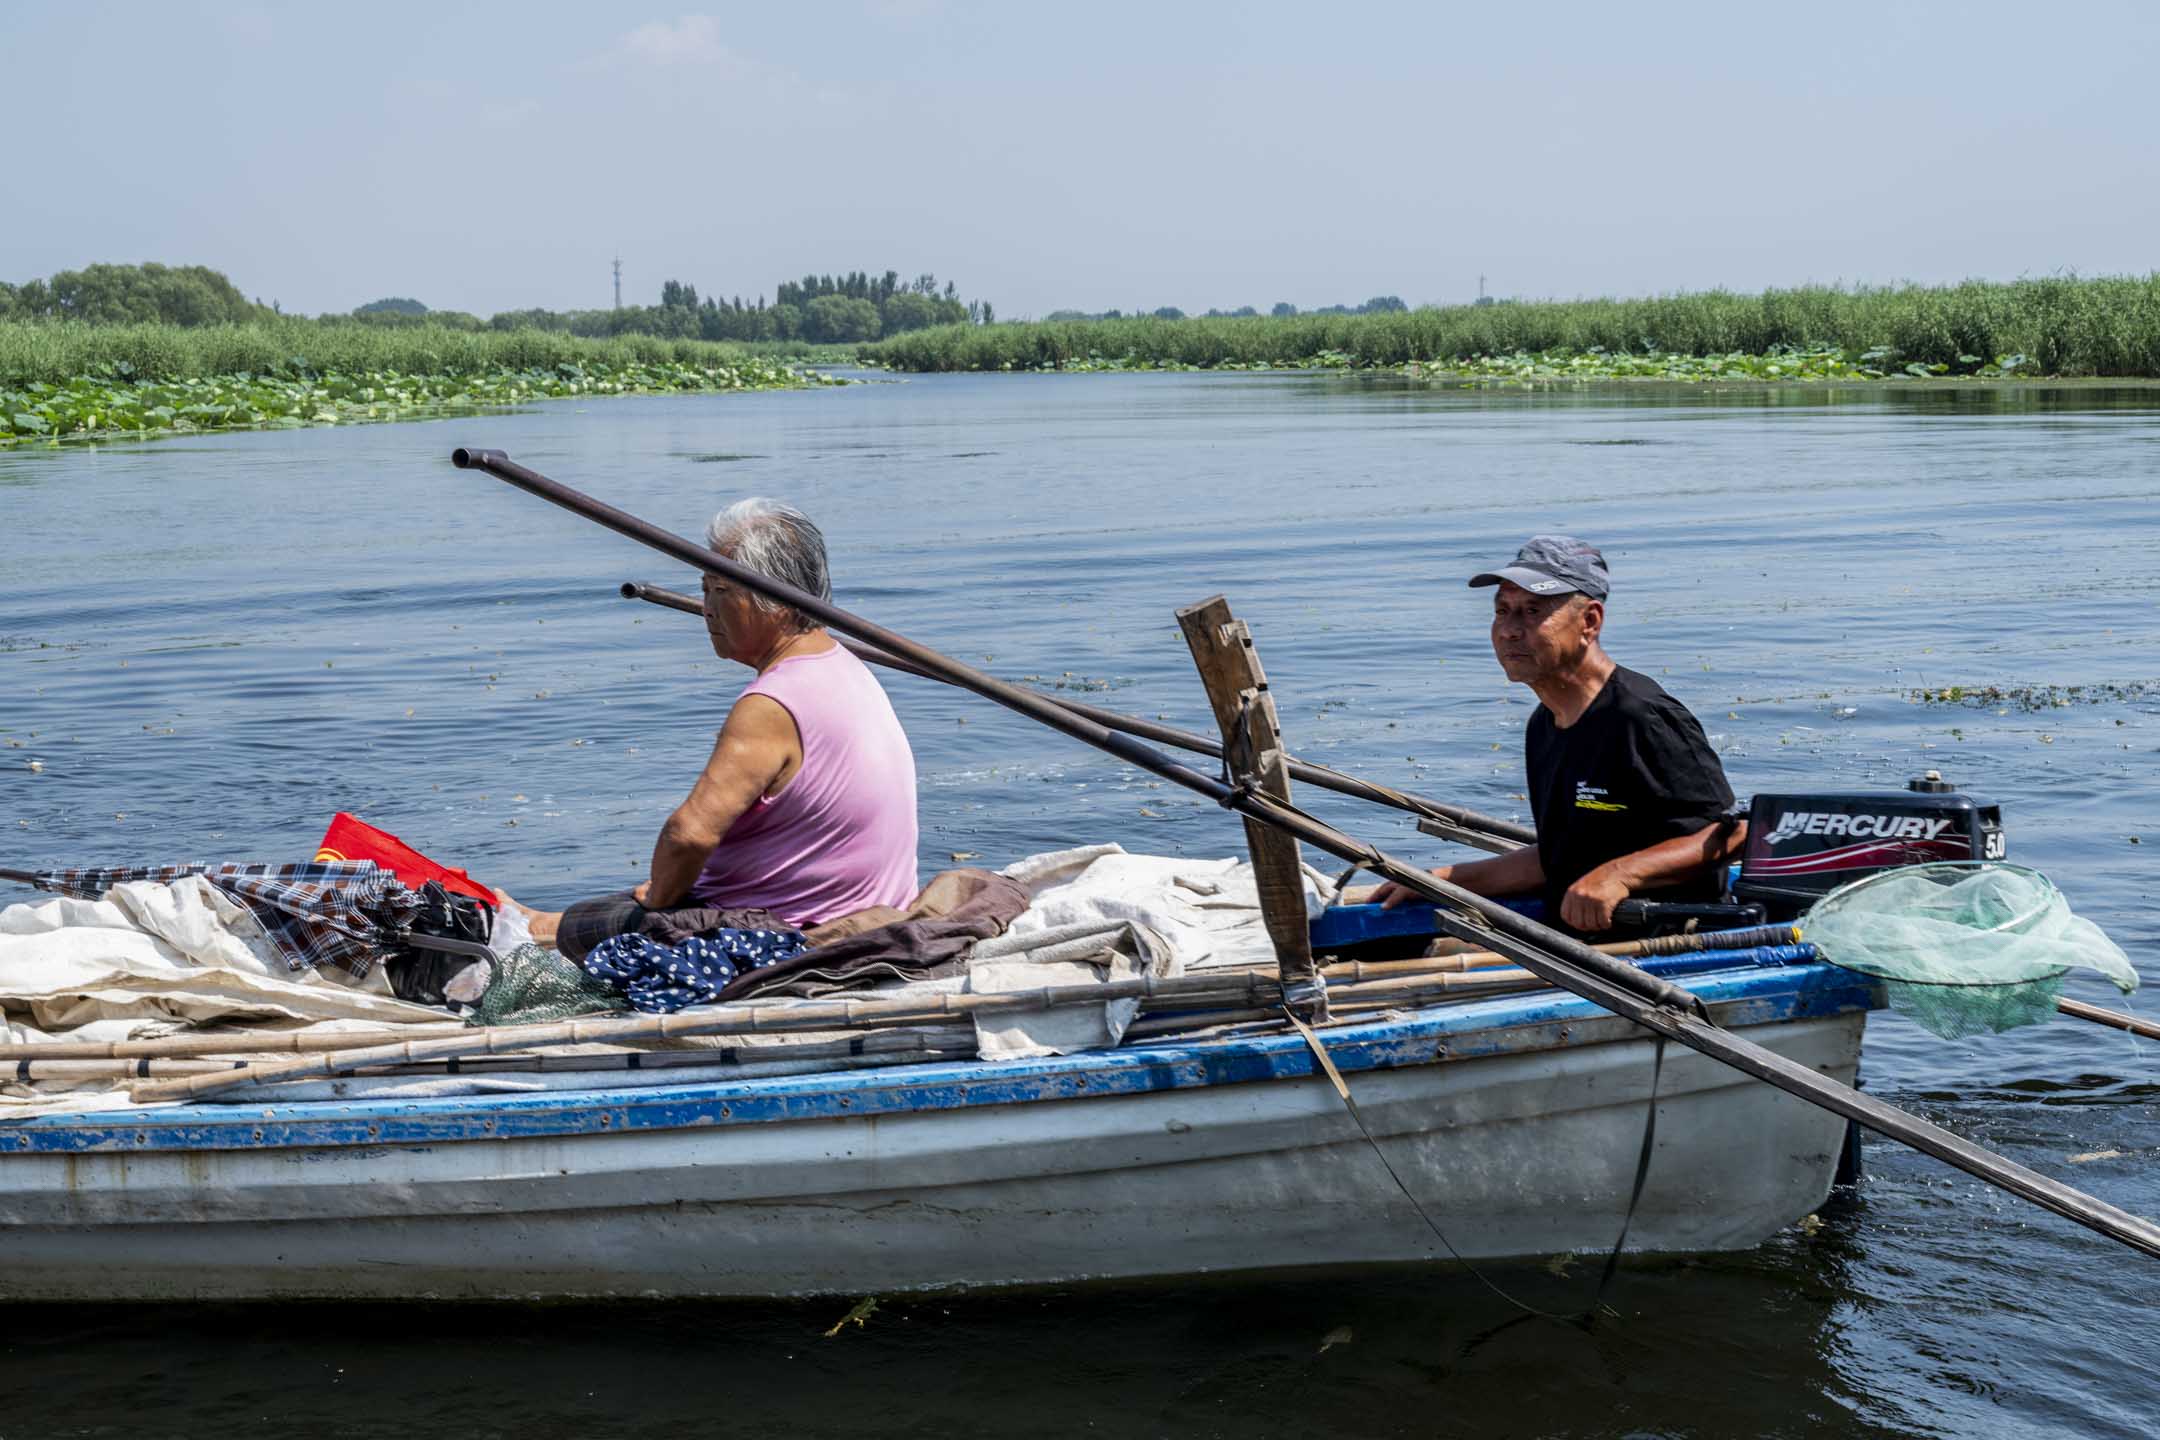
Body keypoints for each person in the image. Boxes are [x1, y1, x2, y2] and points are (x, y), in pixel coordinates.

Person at [499, 498, 919, 958]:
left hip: (793, 931)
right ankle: (539, 922)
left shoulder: (771, 705)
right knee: (640, 897)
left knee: (604, 919)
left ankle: (529, 929)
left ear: (776, 601)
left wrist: (660, 900)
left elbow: (689, 835)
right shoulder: (843, 663)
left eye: (721, 590)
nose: (706, 609)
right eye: (705, 589)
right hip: (867, 905)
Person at [1374, 535, 1742, 934]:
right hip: (1572, 941)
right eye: (1503, 611)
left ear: (1590, 621)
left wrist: (1619, 876)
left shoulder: (1642, 717)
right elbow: (1559, 859)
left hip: (1660, 947)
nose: (1510, 631)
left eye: (1532, 611)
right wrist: (1443, 878)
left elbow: (1731, 835)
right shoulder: (1544, 724)